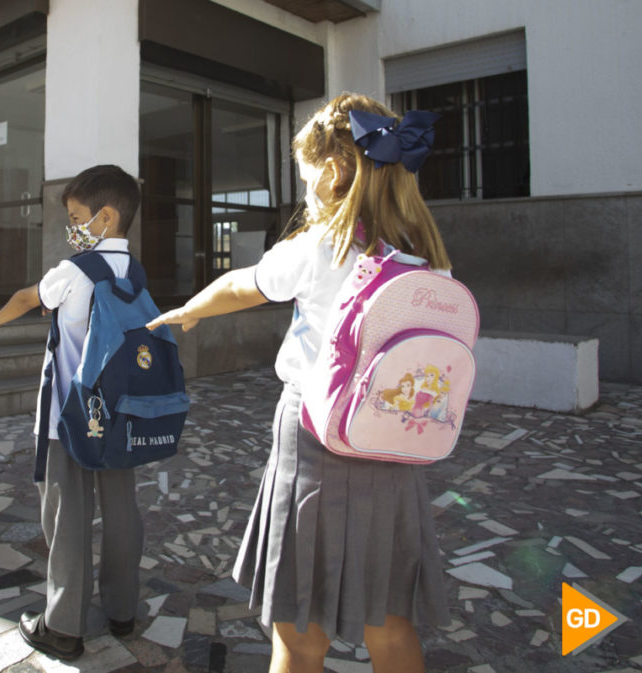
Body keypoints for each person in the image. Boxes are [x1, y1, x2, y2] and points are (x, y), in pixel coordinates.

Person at [147, 93, 453, 673]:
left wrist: (190, 309)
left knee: (298, 626)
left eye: (307, 175)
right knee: (390, 622)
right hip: (395, 442)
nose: (304, 189)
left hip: (316, 443)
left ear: (334, 172)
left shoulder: (320, 248)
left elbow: (243, 285)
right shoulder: (427, 257)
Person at [0, 165, 145, 661]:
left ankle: (63, 625)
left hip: (71, 416)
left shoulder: (76, 270)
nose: (72, 227)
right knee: (122, 509)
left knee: (66, 515)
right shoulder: (134, 271)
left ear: (104, 218)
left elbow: (27, 297)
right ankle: (123, 610)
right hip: (121, 415)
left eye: (76, 217)